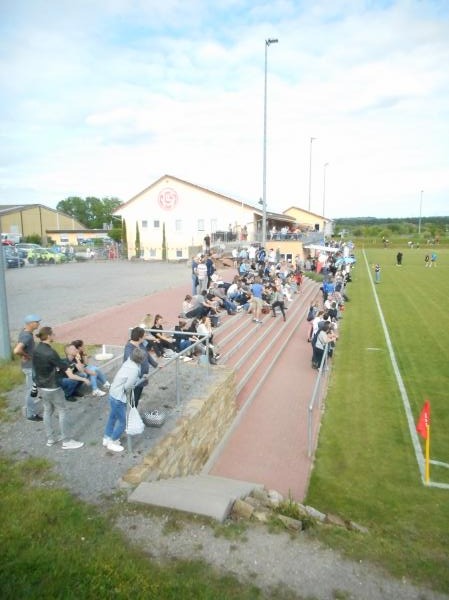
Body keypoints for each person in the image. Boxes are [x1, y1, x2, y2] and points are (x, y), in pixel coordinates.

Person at [32, 326, 84, 449]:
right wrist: (82, 378)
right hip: (53, 387)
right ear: (49, 336)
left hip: (42, 387)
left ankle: (50, 439)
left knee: (47, 411)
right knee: (62, 411)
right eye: (53, 334)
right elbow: (66, 370)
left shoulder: (36, 349)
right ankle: (66, 441)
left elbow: (35, 367)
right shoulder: (51, 352)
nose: (54, 335)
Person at [103, 347, 147, 452]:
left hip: (113, 393)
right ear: (140, 360)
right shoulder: (134, 370)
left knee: (112, 417)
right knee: (124, 422)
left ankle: (106, 437)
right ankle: (112, 441)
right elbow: (128, 386)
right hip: (118, 397)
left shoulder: (128, 361)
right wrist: (141, 380)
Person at [13, 314, 43, 421]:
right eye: (37, 322)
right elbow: (17, 350)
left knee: (33, 388)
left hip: (29, 366)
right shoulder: (27, 336)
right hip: (30, 367)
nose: (39, 323)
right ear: (31, 324)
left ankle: (30, 407)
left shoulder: (25, 332)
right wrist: (26, 355)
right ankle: (30, 414)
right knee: (31, 391)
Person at [124, 326, 159, 406]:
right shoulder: (129, 349)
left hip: (142, 377)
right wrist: (140, 376)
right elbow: (131, 367)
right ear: (139, 337)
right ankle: (131, 416)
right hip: (135, 379)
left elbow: (147, 355)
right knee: (133, 399)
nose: (145, 337)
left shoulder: (141, 344)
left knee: (137, 396)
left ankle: (133, 413)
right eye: (144, 335)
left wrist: (156, 365)